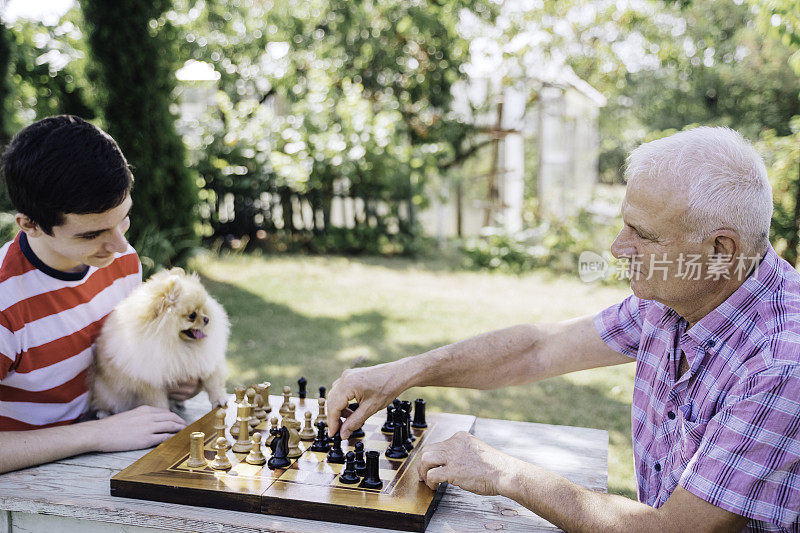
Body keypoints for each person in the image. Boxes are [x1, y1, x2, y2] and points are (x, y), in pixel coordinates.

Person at [326, 127, 799, 532]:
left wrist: (504, 472)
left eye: (643, 235)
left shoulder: (782, 363)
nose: (618, 248)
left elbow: (674, 529)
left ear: (720, 250)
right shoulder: (683, 295)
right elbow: (539, 348)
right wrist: (405, 372)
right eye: (624, 226)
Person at [0, 116, 199, 474]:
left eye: (123, 218)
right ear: (29, 224)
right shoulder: (4, 307)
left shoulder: (120, 259)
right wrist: (96, 434)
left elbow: (119, 352)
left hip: (103, 442)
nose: (120, 245)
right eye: (91, 234)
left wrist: (172, 373)